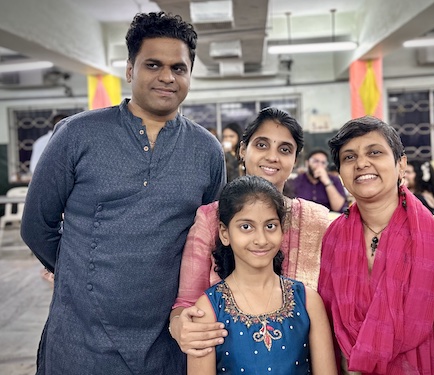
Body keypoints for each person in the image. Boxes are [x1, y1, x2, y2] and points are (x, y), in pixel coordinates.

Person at [20, 12, 225, 375]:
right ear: (130, 70)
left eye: (179, 68)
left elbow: (210, 237)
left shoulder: (206, 149)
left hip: (168, 338)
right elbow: (37, 225)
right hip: (81, 337)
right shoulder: (75, 135)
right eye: (153, 65)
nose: (167, 76)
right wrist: (80, 275)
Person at [318, 116, 434, 374]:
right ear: (341, 175)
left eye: (375, 152)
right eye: (349, 157)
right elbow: (331, 345)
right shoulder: (334, 238)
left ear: (401, 165)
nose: (362, 163)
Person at [170, 107, 331, 357]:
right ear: (243, 150)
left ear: (296, 160)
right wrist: (180, 325)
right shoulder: (212, 218)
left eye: (285, 149)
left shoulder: (315, 221)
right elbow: (186, 304)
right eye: (262, 145)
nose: (273, 157)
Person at [187, 175, 337, 375]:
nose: (261, 239)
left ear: (282, 230)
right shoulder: (208, 310)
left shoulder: (308, 301)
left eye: (270, 226)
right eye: (246, 227)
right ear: (225, 233)